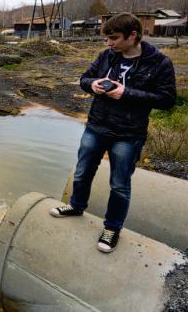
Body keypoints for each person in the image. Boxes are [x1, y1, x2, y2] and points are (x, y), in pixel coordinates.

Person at [49, 13, 176, 253]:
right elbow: (84, 78)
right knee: (82, 173)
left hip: (128, 134)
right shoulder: (106, 56)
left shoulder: (160, 63)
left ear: (133, 36)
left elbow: (167, 100)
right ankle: (76, 207)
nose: (109, 44)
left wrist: (126, 93)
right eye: (107, 39)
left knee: (119, 184)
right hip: (96, 126)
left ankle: (112, 228)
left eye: (114, 38)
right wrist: (92, 85)